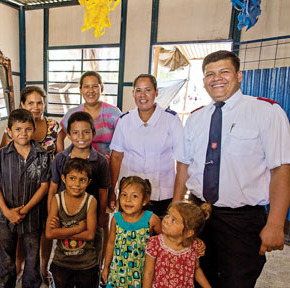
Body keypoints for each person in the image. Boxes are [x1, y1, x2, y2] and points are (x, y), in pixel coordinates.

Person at [173, 50, 290, 288]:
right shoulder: (196, 119)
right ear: (204, 81)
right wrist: (176, 209)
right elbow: (184, 167)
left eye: (224, 72)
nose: (217, 78)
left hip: (241, 218)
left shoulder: (266, 113)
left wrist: (276, 223)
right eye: (210, 74)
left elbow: (280, 170)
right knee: (196, 275)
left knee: (237, 279)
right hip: (198, 213)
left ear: (239, 75)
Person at [0, 86, 59, 283]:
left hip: (45, 186)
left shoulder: (53, 126)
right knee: (18, 234)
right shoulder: (15, 126)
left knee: (43, 231)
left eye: (39, 102)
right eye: (30, 103)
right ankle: (18, 265)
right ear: (23, 104)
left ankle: (42, 266)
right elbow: (2, 162)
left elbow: (58, 157)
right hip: (18, 191)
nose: (36, 107)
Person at [0, 109, 51, 288]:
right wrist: (8, 212)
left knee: (32, 259)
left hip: (32, 218)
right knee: (6, 259)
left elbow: (44, 186)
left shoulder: (42, 155)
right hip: (5, 219)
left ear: (33, 130)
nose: (23, 133)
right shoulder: (0, 156)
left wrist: (24, 210)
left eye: (28, 129)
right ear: (9, 131)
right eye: (18, 129)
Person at [109, 74, 184, 216]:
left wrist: (177, 199)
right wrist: (112, 190)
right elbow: (116, 157)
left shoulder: (171, 120)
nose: (142, 95)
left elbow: (182, 162)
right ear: (133, 94)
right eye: (138, 90)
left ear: (156, 92)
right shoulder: (125, 120)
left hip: (162, 195)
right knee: (129, 236)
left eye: (148, 90)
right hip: (129, 196)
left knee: (159, 236)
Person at [49, 111, 110, 249]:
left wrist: (101, 217)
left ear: (94, 134)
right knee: (66, 250)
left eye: (86, 132)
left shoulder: (101, 162)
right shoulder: (60, 159)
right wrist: (50, 216)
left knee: (91, 250)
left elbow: (102, 192)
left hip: (90, 218)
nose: (81, 137)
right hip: (65, 218)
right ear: (69, 135)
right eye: (75, 133)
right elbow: (53, 189)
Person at [46, 158, 99, 288]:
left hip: (87, 264)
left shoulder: (91, 201)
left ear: (88, 182)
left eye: (82, 180)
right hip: (62, 263)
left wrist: (61, 232)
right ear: (63, 179)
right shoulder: (56, 200)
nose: (77, 184)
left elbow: (90, 235)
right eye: (72, 178)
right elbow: (49, 233)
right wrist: (78, 229)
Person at [101, 176, 162, 287]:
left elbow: (166, 240)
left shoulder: (152, 219)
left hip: (141, 275)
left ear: (145, 200)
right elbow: (110, 244)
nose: (128, 200)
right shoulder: (116, 219)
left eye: (134, 196)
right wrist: (106, 267)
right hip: (118, 274)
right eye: (124, 195)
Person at [143, 202, 211, 288]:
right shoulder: (155, 243)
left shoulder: (194, 246)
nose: (166, 220)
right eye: (168, 215)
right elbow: (148, 273)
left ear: (188, 233)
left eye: (173, 220)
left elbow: (196, 269)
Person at [57, 71, 122, 158]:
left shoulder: (114, 113)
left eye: (95, 86)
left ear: (101, 88)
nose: (90, 90)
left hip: (106, 165)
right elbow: (60, 135)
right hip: (78, 165)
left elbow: (124, 140)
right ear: (80, 90)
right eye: (86, 86)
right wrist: (61, 157)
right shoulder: (73, 113)